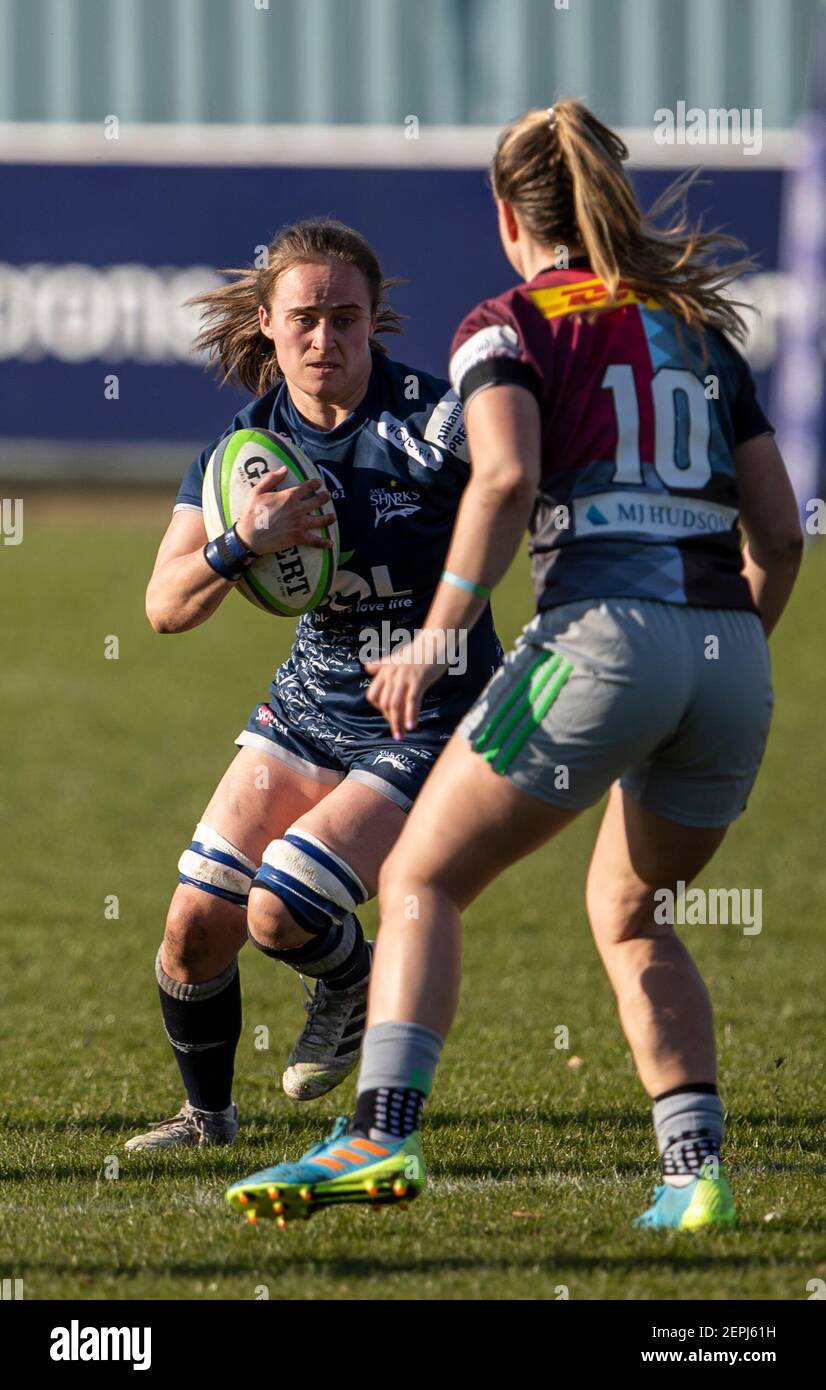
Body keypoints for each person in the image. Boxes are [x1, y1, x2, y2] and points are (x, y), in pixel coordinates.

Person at [226, 103, 802, 1229]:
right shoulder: (694, 328)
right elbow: (779, 535)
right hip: (731, 652)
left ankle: (376, 1138)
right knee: (632, 911)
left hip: (600, 636)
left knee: (419, 880)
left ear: (505, 217)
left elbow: (498, 480)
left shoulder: (506, 326)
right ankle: (692, 1179)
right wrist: (721, 661)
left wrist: (440, 630)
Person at [125, 218, 501, 1151]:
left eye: (346, 318)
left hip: (429, 716)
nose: (325, 339)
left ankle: (354, 975)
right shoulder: (243, 456)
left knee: (283, 903)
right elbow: (164, 606)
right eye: (304, 318)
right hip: (309, 707)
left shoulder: (438, 422)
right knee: (193, 929)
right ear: (266, 322)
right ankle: (207, 1119)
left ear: (375, 322)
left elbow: (523, 496)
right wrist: (242, 540)